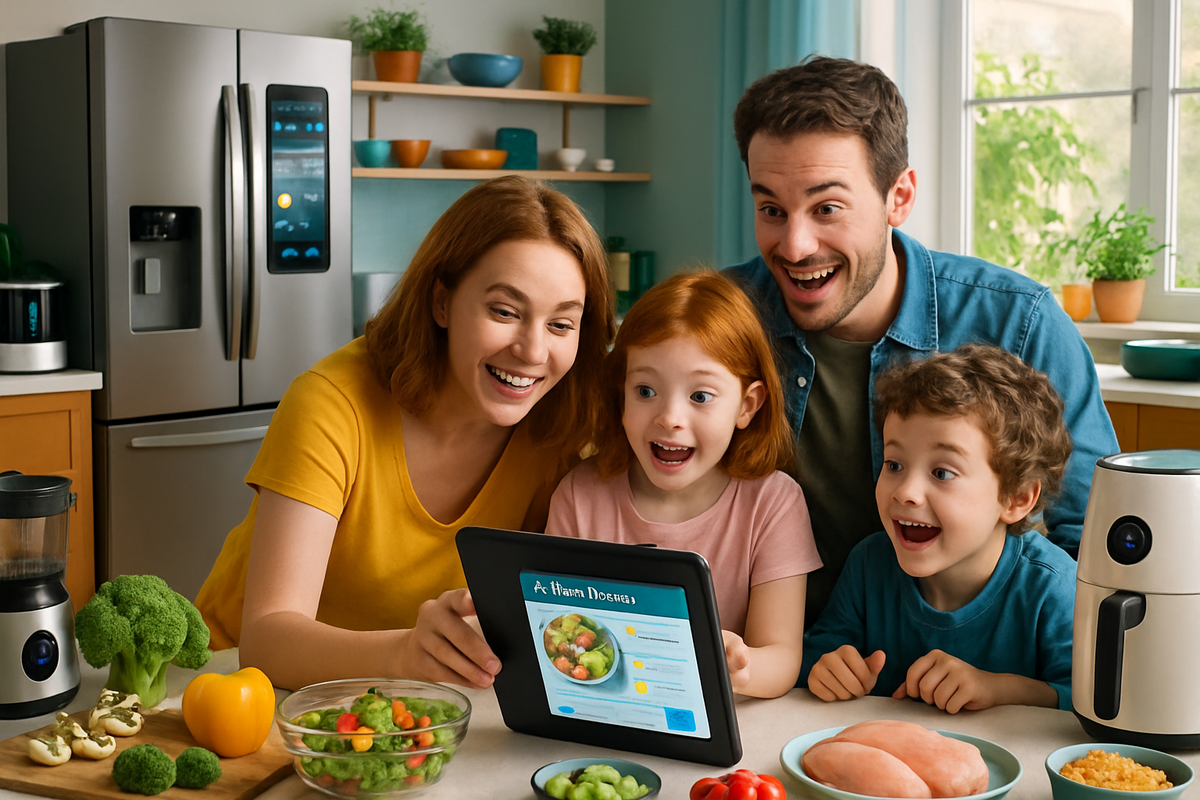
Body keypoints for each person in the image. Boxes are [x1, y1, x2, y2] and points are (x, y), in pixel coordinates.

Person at [724, 55, 1118, 628]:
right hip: (781, 669)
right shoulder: (721, 319)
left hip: (976, 682)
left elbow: (1096, 544)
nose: (795, 245)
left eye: (827, 207)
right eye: (771, 210)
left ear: (898, 197)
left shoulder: (1020, 323)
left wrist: (1010, 677)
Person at [195, 176, 617, 691]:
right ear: (442, 301)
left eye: (561, 324)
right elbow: (266, 640)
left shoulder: (561, 428)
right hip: (239, 691)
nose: (532, 352)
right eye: (505, 312)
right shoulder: (331, 404)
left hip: (407, 703)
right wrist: (406, 652)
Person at [546, 270, 823, 699]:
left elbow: (782, 658)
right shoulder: (580, 495)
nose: (669, 417)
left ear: (747, 406)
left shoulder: (774, 503)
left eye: (700, 396)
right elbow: (556, 634)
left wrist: (741, 667)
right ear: (620, 393)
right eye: (645, 390)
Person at [802, 344, 1077, 713]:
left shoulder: (1053, 588)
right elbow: (817, 657)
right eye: (894, 464)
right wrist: (827, 669)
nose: (906, 492)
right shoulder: (869, 565)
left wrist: (1001, 689)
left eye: (942, 472)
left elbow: (1097, 703)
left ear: (1016, 498)